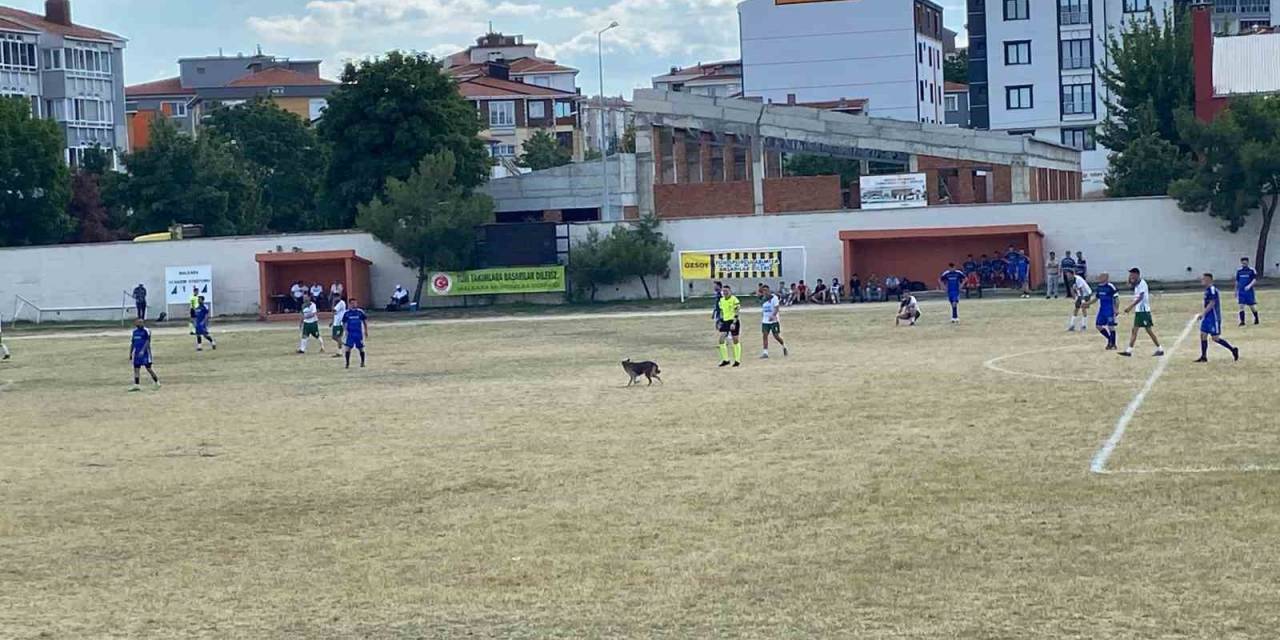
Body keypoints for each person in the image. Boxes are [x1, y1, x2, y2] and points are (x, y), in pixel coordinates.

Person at [1195, 273, 1240, 363]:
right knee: (1203, 334)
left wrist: (1203, 313)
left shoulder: (1212, 289)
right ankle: (1204, 356)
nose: (1202, 280)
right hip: (1208, 316)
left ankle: (1233, 349)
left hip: (1213, 317)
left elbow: (1212, 303)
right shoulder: (1207, 290)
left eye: (1203, 279)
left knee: (1215, 338)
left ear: (1208, 280)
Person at [1119, 267, 1164, 357]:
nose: (1130, 276)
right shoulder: (1137, 283)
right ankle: (1129, 351)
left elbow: (1141, 297)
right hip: (1140, 311)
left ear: (1137, 274)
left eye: (1132, 274)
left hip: (1143, 310)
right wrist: (1130, 279)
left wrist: (1130, 307)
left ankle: (1160, 349)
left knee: (1148, 331)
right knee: (1135, 330)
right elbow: (1128, 285)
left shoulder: (1142, 284)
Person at [129, 319, 160, 391]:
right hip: (137, 353)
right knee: (136, 368)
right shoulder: (135, 332)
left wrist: (143, 350)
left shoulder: (146, 331)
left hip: (145, 353)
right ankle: (137, 385)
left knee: (148, 368)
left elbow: (147, 341)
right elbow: (133, 343)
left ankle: (157, 382)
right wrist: (130, 353)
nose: (139, 323)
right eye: (138, 322)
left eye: (141, 322)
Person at [716, 284, 742, 367]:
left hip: (733, 321)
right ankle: (725, 360)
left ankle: (737, 360)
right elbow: (721, 311)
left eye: (726, 291)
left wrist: (734, 322)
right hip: (725, 321)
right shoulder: (721, 300)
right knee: (721, 339)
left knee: (735, 340)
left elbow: (737, 311)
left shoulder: (734, 300)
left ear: (730, 291)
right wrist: (720, 321)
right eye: (724, 291)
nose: (725, 293)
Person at [759, 284, 788, 359]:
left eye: (766, 290)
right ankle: (765, 353)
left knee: (776, 336)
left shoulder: (774, 298)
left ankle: (784, 346)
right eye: (763, 291)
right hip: (765, 321)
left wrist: (773, 315)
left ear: (769, 290)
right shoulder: (763, 299)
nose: (765, 292)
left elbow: (777, 308)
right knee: (765, 335)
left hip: (774, 321)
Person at [1094, 273, 1120, 350]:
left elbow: (1116, 299)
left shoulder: (1110, 287)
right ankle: (1110, 339)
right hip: (1102, 310)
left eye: (1101, 276)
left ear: (1106, 278)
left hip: (1110, 310)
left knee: (1111, 326)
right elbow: (1096, 298)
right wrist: (1087, 303)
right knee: (1098, 326)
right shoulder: (1099, 287)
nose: (1099, 277)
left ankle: (1113, 344)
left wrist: (1116, 309)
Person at [342, 297, 369, 369]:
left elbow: (365, 321)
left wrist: (366, 330)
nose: (354, 304)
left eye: (355, 303)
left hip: (358, 333)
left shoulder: (360, 312)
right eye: (352, 303)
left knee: (361, 348)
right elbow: (344, 323)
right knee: (347, 348)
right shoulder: (347, 313)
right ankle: (347, 363)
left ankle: (362, 362)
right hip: (350, 334)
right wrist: (345, 331)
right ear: (350, 304)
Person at [1236, 257, 1260, 326]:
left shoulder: (1251, 270)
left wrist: (1249, 286)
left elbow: (1255, 279)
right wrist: (1236, 290)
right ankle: (1242, 322)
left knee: (1252, 306)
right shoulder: (1239, 271)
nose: (1244, 264)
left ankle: (1256, 318)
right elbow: (1237, 281)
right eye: (1243, 263)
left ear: (1248, 262)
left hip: (1249, 292)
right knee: (1241, 306)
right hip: (1241, 291)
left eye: (1245, 262)